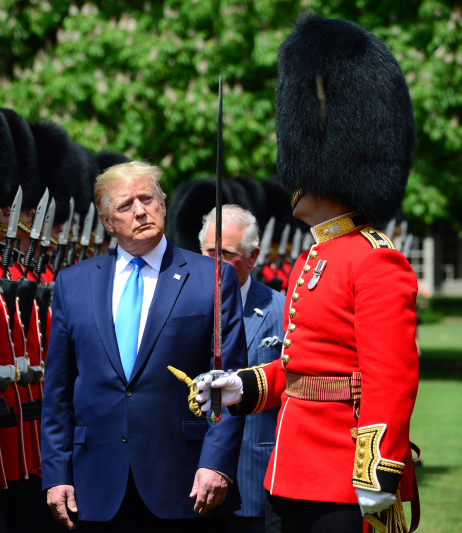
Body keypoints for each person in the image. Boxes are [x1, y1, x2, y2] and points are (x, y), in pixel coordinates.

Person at [201, 13, 419, 533]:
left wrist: (378, 471)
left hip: (345, 478)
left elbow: (391, 378)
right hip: (292, 471)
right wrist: (243, 386)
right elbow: (302, 369)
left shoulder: (374, 259)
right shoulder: (314, 257)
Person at [41, 161, 247, 532]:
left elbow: (228, 381)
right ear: (107, 222)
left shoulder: (211, 278)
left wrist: (216, 461)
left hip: (186, 484)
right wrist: (56, 474)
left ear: (163, 205)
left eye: (148, 198)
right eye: (125, 205)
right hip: (97, 486)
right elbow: (58, 392)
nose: (140, 210)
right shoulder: (74, 284)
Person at [199, 205, 285, 533]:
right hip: (194, 477)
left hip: (255, 475)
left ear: (252, 257)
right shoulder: (183, 304)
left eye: (227, 253)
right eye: (209, 251)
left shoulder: (281, 309)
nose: (216, 261)